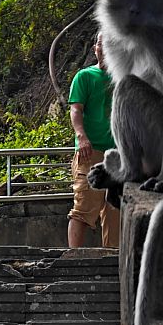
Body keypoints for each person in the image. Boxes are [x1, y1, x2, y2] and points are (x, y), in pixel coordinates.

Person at [67, 33, 120, 249]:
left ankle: (113, 261)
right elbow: (75, 110)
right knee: (84, 208)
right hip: (91, 152)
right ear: (95, 48)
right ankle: (74, 260)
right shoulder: (85, 77)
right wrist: (82, 137)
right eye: (101, 43)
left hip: (118, 155)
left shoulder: (123, 77)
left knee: (115, 209)